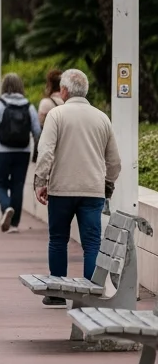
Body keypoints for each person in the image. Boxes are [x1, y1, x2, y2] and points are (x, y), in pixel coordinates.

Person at [33, 68, 121, 306]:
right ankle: (90, 295)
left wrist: (41, 181)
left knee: (58, 239)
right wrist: (108, 184)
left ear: (63, 90)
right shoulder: (101, 117)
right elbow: (114, 161)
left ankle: (58, 293)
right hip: (92, 190)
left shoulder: (56, 115)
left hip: (62, 189)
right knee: (92, 242)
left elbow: (46, 152)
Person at [0, 73, 41, 233]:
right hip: (23, 152)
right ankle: (14, 224)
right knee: (18, 185)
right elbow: (37, 131)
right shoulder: (29, 106)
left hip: (1, 151)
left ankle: (6, 207)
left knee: (0, 183)